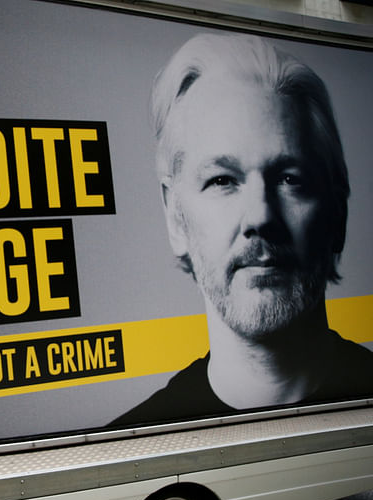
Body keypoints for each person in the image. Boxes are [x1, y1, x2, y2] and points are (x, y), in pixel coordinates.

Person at [112, 33, 373, 426]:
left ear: (338, 213)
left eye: (290, 179)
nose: (261, 217)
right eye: (222, 180)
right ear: (175, 216)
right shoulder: (130, 445)